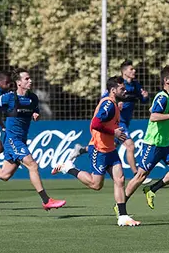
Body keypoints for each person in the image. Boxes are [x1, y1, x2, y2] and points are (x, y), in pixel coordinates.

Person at [0, 69, 66, 211]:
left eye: (30, 78)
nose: (30, 81)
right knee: (32, 165)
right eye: (26, 79)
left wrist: (36, 114)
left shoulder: (33, 98)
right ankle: (46, 200)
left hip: (21, 139)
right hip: (12, 140)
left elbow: (35, 109)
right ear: (18, 83)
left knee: (4, 175)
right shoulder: (9, 97)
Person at [52, 76, 140, 226]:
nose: (125, 91)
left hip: (110, 149)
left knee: (120, 180)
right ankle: (69, 168)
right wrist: (115, 133)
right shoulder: (108, 104)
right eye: (122, 89)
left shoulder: (113, 103)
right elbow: (95, 123)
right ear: (113, 90)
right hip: (99, 149)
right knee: (96, 185)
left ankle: (123, 216)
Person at [122, 66, 169, 210]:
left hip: (165, 144)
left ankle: (152, 189)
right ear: (166, 80)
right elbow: (153, 116)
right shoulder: (162, 97)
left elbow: (152, 109)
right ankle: (120, 206)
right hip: (153, 144)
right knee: (140, 176)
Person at [69, 60, 149, 177]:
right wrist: (115, 105)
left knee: (111, 146)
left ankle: (81, 150)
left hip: (125, 122)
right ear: (124, 71)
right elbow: (105, 102)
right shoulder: (116, 87)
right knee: (130, 145)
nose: (134, 71)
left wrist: (145, 97)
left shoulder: (135, 85)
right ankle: (137, 174)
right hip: (118, 123)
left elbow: (142, 101)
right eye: (131, 69)